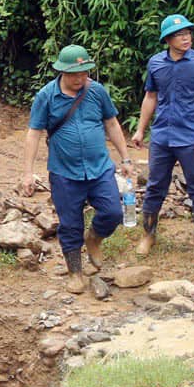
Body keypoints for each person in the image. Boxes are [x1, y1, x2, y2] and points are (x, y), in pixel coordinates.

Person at [19, 45, 134, 295]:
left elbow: (112, 123)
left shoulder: (97, 92)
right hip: (64, 172)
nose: (80, 78)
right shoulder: (46, 96)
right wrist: (27, 173)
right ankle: (75, 273)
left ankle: (93, 239)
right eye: (75, 74)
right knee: (70, 225)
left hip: (100, 167)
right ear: (61, 72)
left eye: (84, 73)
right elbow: (34, 133)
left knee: (113, 212)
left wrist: (125, 159)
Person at [129, 13, 194, 258]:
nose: (186, 38)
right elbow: (150, 96)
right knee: (154, 186)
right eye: (179, 35)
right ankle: (148, 235)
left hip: (191, 135)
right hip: (161, 135)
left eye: (187, 33)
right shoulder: (156, 63)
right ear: (167, 40)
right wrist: (141, 129)